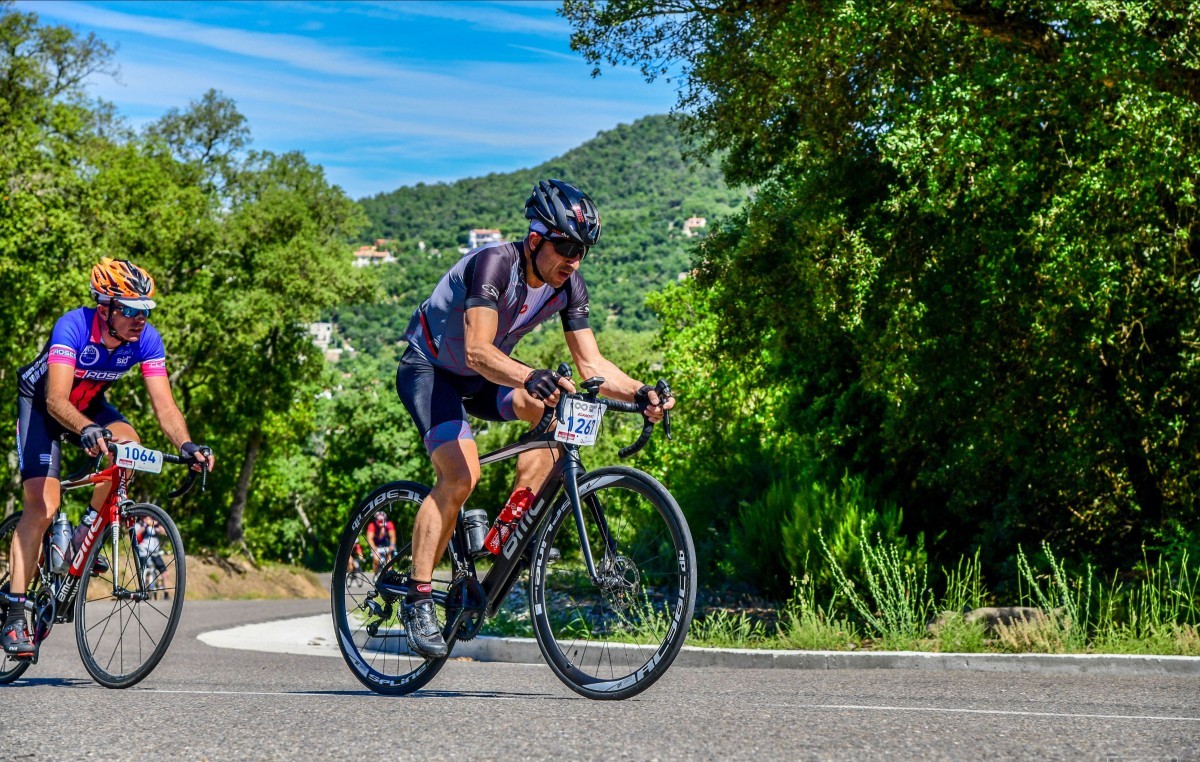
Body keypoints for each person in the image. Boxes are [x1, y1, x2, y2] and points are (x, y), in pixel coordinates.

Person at [394, 178, 674, 657]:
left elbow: (592, 366)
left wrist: (641, 391)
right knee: (461, 475)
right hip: (432, 370)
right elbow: (480, 350)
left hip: (488, 378)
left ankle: (506, 532)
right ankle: (419, 598)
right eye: (565, 246)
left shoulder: (568, 287)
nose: (574, 259)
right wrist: (529, 375)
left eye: (582, 250)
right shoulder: (493, 265)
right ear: (536, 239)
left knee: (553, 416)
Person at [2, 258, 215, 657]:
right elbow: (55, 399)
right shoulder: (74, 326)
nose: (140, 320)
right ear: (105, 308)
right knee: (43, 505)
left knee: (130, 449)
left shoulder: (146, 339)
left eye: (146, 310)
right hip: (45, 407)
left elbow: (165, 407)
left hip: (91, 408)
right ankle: (14, 615)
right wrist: (83, 429)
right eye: (131, 310)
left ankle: (88, 535)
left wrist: (187, 445)